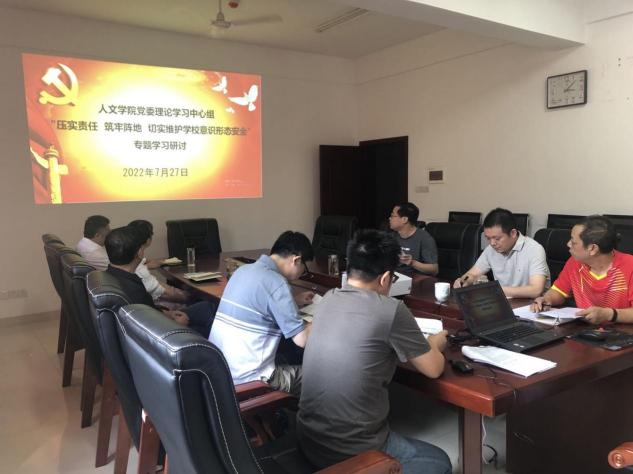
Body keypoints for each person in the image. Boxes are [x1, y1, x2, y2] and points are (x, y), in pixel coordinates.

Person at [297, 229, 451, 474]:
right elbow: (433, 369)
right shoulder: (391, 309)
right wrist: (434, 342)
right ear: (386, 278)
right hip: (350, 452)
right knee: (439, 462)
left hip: (308, 439)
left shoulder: (328, 298)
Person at [208, 231, 314, 395]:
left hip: (219, 374)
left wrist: (294, 301)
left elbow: (261, 303)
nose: (302, 274)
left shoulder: (242, 271)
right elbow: (302, 340)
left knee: (285, 356)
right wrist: (325, 314)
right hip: (251, 381)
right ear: (296, 260)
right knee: (320, 376)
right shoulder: (277, 283)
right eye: (304, 269)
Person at [105, 226, 214, 337]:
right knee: (212, 321)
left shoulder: (109, 276)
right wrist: (177, 324)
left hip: (157, 317)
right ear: (139, 252)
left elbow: (147, 312)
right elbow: (148, 328)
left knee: (207, 307)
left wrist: (166, 313)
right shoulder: (133, 289)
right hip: (166, 334)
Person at [532, 215, 633, 324]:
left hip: (621, 330)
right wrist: (547, 299)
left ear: (592, 248)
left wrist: (609, 314)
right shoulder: (575, 262)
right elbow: (558, 291)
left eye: (573, 242)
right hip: (585, 329)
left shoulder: (630, 266)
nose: (568, 244)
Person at [454, 208, 549, 298]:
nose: (492, 243)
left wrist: (494, 290)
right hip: (503, 301)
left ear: (513, 233)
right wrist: (464, 281)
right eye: (488, 238)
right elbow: (473, 274)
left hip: (531, 305)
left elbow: (536, 290)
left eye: (497, 238)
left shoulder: (534, 249)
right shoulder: (491, 249)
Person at [128, 220, 188, 303]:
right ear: (148, 239)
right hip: (156, 305)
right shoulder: (140, 270)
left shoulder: (126, 261)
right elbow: (168, 294)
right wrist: (194, 294)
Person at [389, 202, 438, 275]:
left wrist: (412, 262)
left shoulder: (425, 238)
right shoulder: (392, 236)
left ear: (404, 219)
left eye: (392, 216)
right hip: (394, 275)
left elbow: (434, 270)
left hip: (414, 277)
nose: (389, 218)